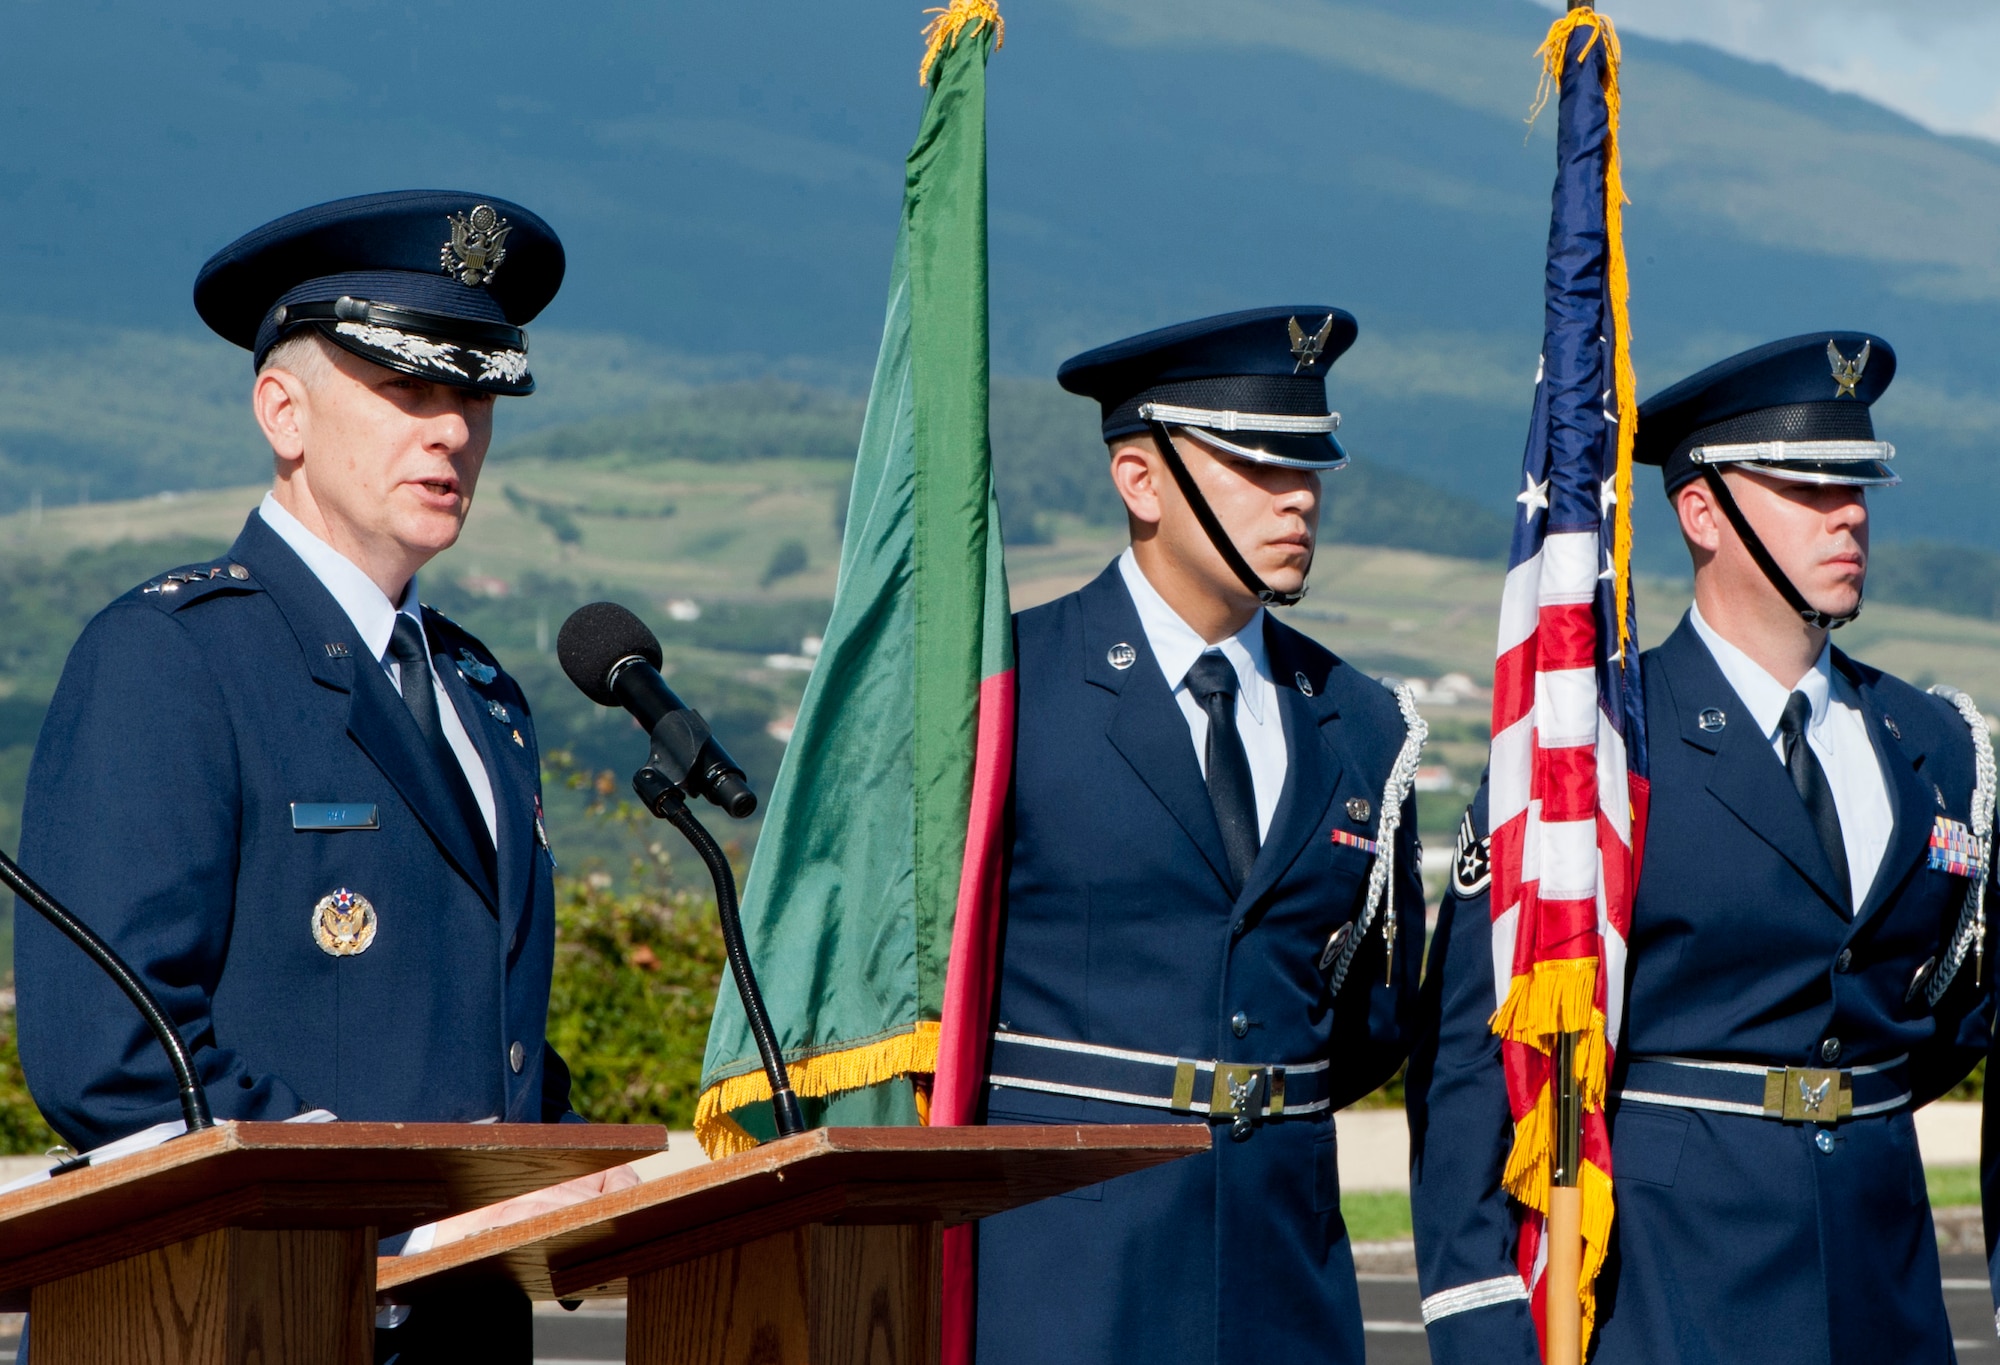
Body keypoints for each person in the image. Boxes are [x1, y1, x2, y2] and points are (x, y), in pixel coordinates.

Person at [13, 191, 632, 1364]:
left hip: (456, 1328)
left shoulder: (481, 693)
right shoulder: (174, 656)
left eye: (474, 395)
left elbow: (487, 1041)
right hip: (232, 1310)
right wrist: (355, 1198)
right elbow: (112, 1045)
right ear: (282, 412)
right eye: (409, 390)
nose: (452, 431)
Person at [1409, 332, 1991, 1363]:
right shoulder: (1593, 750)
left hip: (1881, 1283)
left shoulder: (1933, 742)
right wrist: (1484, 1325)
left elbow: (1952, 1014)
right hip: (1675, 1287)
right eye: (1807, 486)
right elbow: (1474, 1062)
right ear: (1701, 512)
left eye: (1855, 484)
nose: (1848, 513)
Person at [974, 307, 1428, 1365]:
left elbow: (1360, 1017)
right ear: (1139, 482)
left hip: (1284, 1275)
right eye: (1254, 467)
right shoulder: (1008, 686)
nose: (1298, 496)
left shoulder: (1358, 719)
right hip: (1063, 1273)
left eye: (1308, 466)